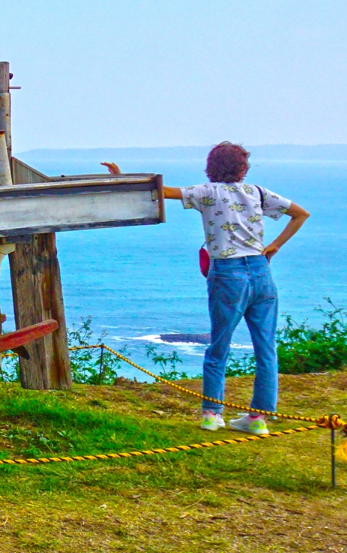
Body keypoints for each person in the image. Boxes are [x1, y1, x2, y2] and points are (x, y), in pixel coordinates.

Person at [106, 143, 308, 435]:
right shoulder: (258, 192)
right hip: (261, 271)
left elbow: (162, 190)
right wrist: (275, 245)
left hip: (228, 273)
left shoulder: (207, 192)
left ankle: (213, 414)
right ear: (243, 168)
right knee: (266, 348)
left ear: (211, 167)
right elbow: (301, 214)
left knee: (218, 346)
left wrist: (121, 178)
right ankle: (258, 419)